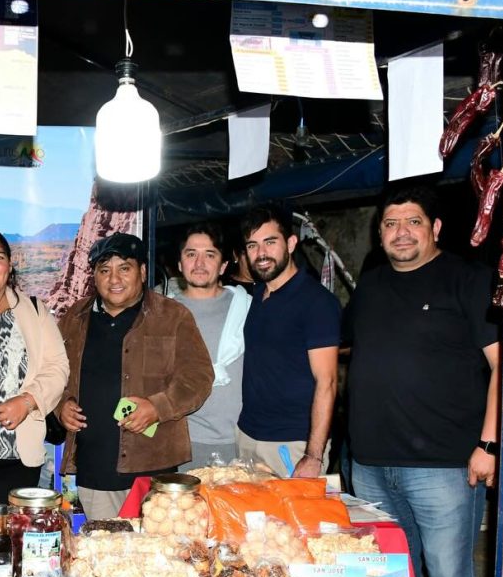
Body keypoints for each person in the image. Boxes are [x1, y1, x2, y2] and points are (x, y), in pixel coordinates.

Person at [343, 186, 498, 577]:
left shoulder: (468, 280)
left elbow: (502, 367)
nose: (402, 232)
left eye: (413, 222)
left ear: (436, 228)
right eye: (391, 224)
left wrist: (489, 444)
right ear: (379, 233)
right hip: (370, 464)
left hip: (443, 466)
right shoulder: (371, 285)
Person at [56, 233, 214, 519]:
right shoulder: (74, 318)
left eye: (124, 268)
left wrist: (157, 407)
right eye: (105, 270)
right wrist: (61, 405)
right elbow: (54, 373)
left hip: (153, 469)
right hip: (95, 468)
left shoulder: (173, 316)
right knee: (104, 544)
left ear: (142, 272)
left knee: (156, 544)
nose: (114, 279)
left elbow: (198, 377)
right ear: (94, 277)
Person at [0, 228, 70, 504]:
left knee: (12, 528)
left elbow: (57, 366)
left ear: (10, 265)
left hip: (18, 455)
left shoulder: (34, 310)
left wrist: (28, 401)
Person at [236, 208, 340, 477]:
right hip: (248, 436)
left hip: (292, 444)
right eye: (252, 245)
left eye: (270, 242)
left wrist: (313, 455)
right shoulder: (259, 294)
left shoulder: (316, 302)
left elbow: (327, 382)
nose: (261, 253)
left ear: (291, 244)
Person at [174, 223, 251, 470]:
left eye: (209, 255)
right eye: (191, 254)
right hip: (181, 443)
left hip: (242, 442)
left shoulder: (248, 308)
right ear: (179, 263)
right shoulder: (163, 314)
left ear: (224, 265)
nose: (199, 263)